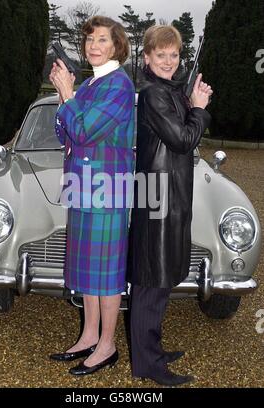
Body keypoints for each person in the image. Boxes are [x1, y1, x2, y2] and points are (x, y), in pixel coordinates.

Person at [49, 16, 135, 376]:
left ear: (117, 45)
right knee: (88, 271)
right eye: (88, 40)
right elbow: (62, 132)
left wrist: (68, 96)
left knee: (107, 273)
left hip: (107, 189)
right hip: (83, 187)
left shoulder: (119, 85)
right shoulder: (90, 84)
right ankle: (88, 335)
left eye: (102, 39)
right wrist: (64, 97)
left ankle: (108, 344)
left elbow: (83, 131)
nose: (93, 46)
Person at [127, 25, 213, 386]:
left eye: (174, 54)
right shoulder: (151, 95)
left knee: (161, 281)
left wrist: (191, 97)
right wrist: (199, 109)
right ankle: (147, 363)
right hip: (158, 199)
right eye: (160, 55)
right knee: (151, 282)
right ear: (146, 58)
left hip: (170, 197)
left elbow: (183, 124)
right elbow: (183, 139)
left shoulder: (168, 90)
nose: (168, 61)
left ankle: (153, 349)